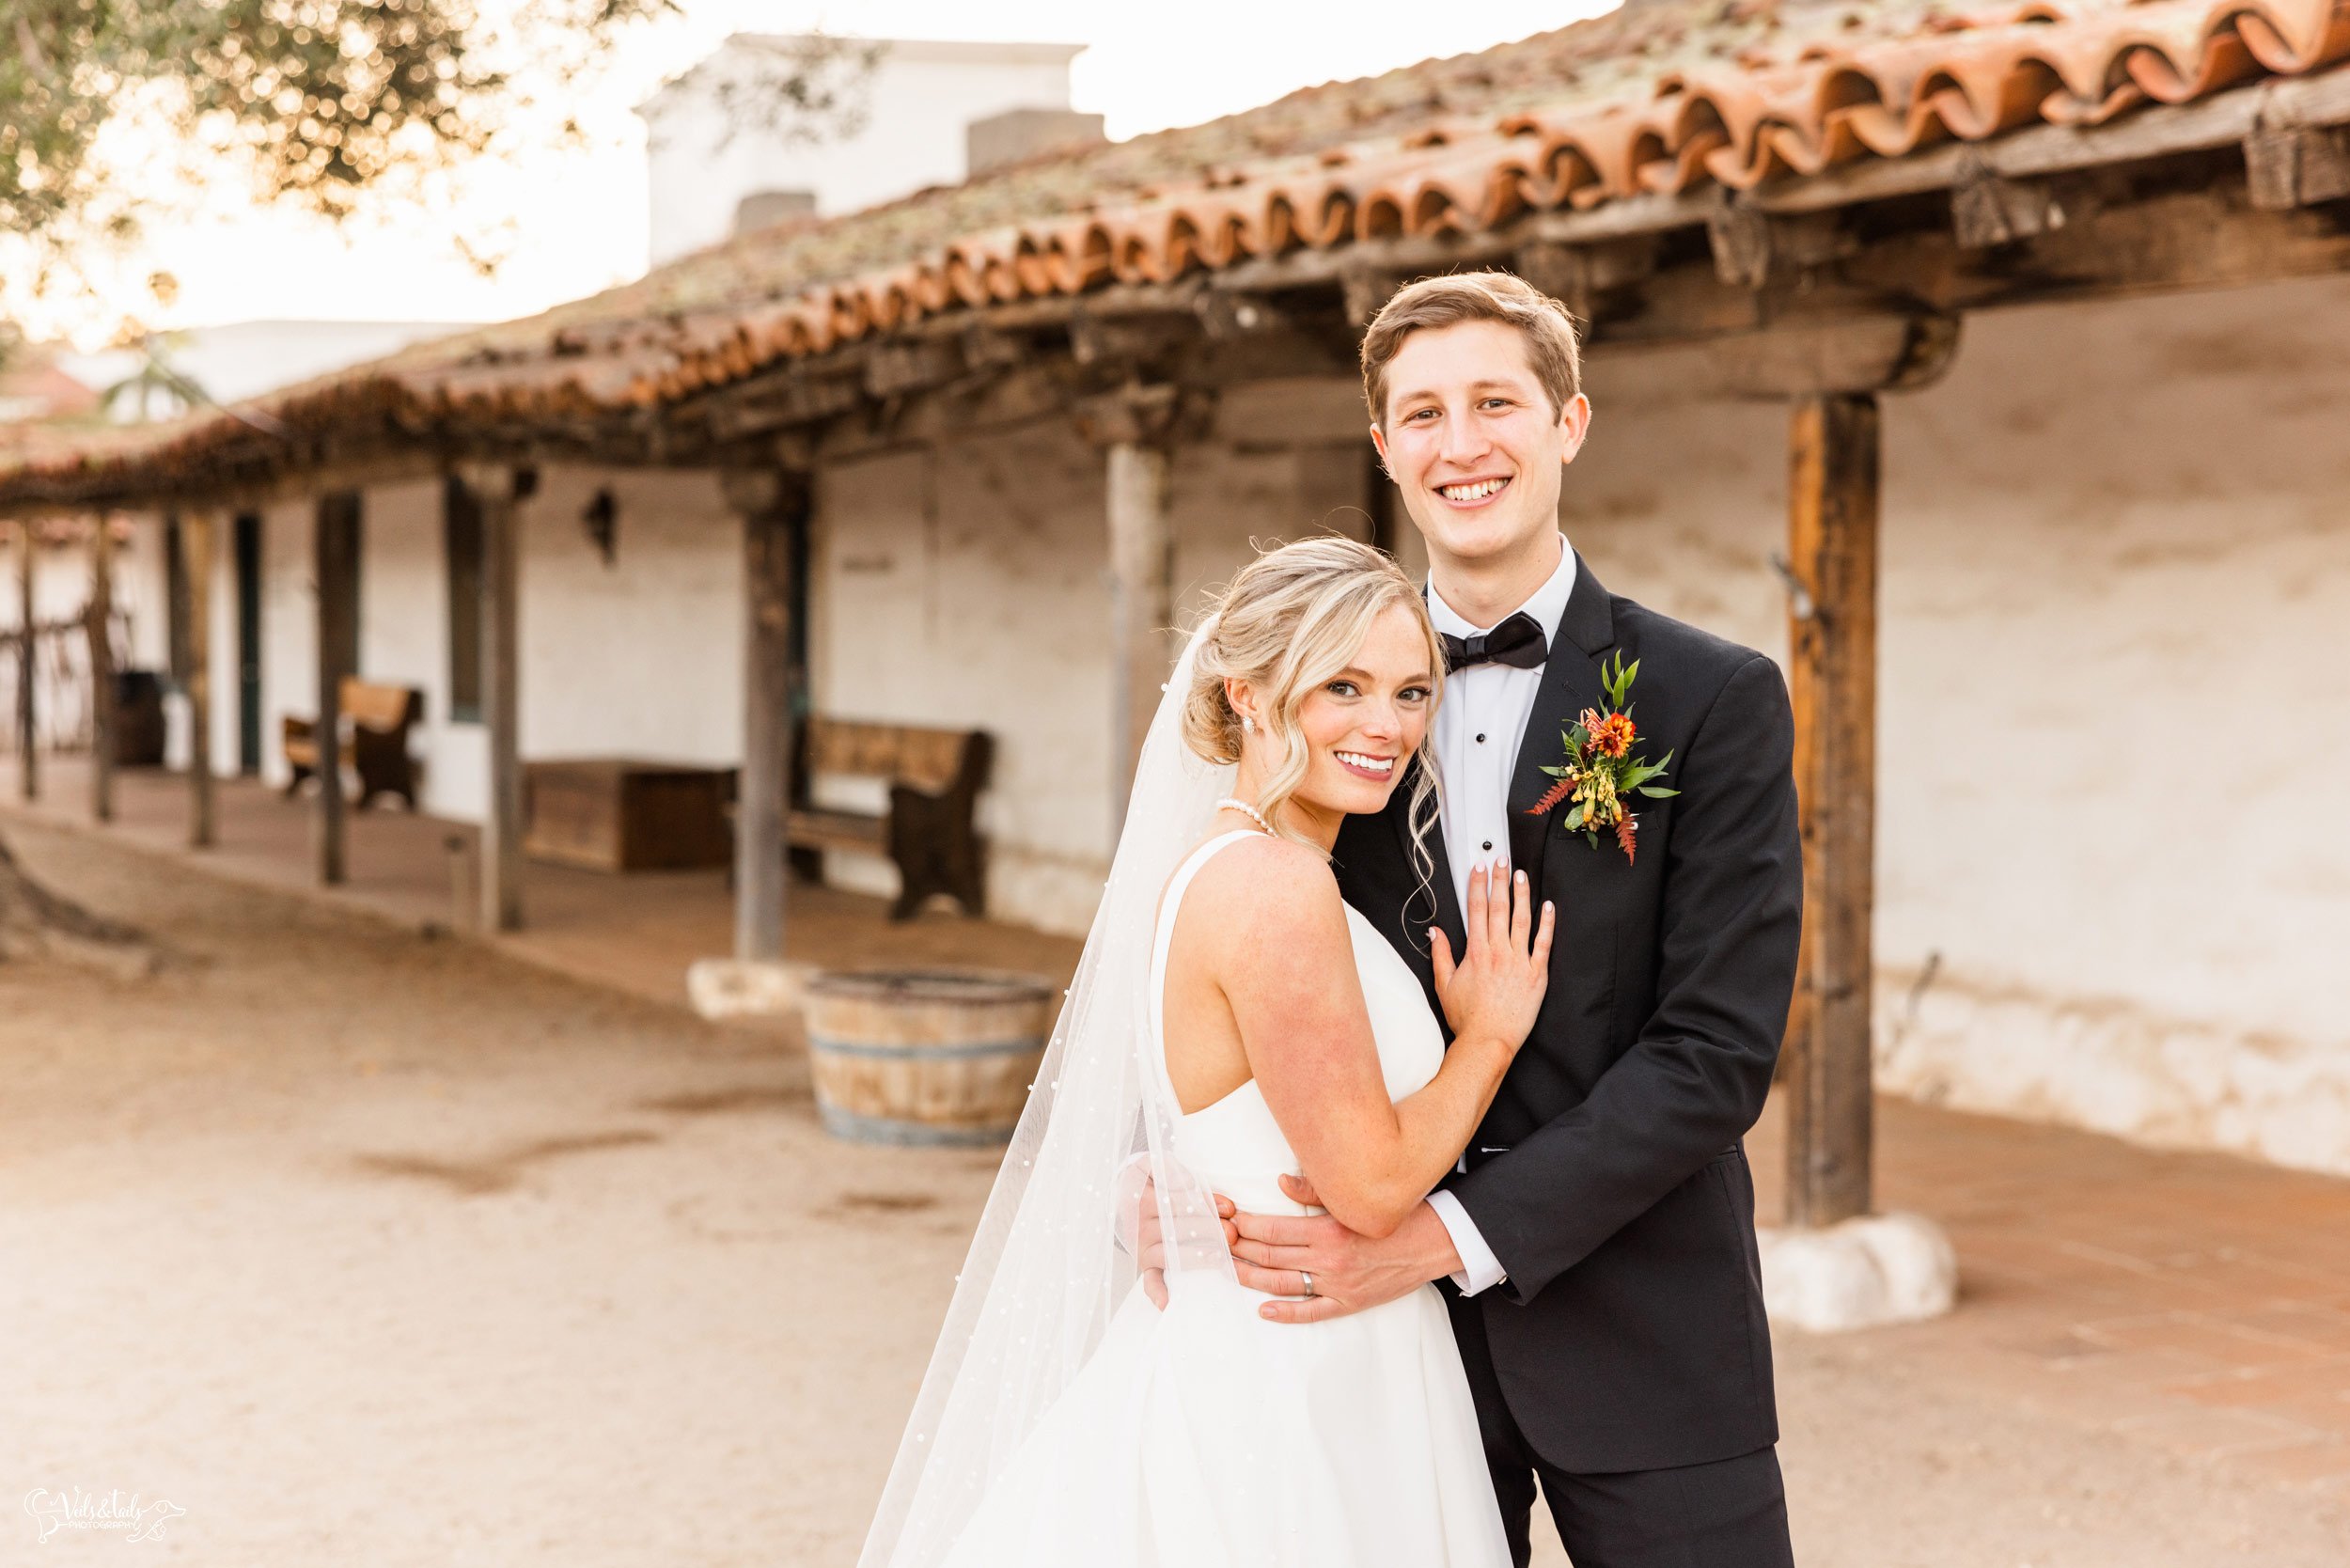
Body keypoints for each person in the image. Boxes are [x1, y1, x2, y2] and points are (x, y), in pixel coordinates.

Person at [1225, 271, 1805, 1567]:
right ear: (1385, 449)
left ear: (1570, 423)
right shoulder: (1323, 709)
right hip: (1383, 1353)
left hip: (1651, 1335)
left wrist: (1442, 1238)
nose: (1461, 443)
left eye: (1496, 401)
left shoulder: (1712, 697)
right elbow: (1235, 962)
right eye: (1422, 413)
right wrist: (1168, 1170)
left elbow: (1714, 1053)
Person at [855, 536, 1554, 1568]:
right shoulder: (1277, 889)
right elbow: (1366, 1188)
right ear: (1250, 698)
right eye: (1343, 685)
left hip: (1279, 1337)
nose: (1387, 725)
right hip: (1292, 1375)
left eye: (1411, 693)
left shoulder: (1216, 869)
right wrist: (1489, 1037)